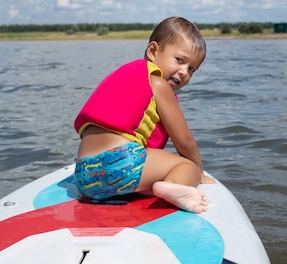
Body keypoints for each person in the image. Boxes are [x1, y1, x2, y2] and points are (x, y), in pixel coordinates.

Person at [73, 16, 214, 214]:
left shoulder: (126, 74)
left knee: (144, 172)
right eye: (179, 60)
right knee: (186, 166)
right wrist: (198, 171)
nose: (184, 72)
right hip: (122, 163)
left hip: (85, 174)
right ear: (153, 51)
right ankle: (174, 186)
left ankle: (143, 188)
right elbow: (184, 140)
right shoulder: (158, 83)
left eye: (191, 69)